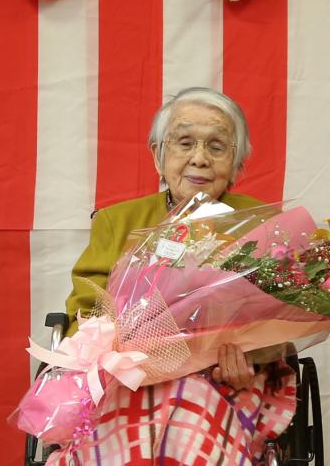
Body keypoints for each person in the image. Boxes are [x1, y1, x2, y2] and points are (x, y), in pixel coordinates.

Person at [55, 87, 295, 465]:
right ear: (158, 154)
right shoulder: (118, 221)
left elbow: (285, 318)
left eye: (217, 147)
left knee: (189, 402)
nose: (199, 159)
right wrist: (121, 348)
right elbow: (83, 314)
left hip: (230, 384)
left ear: (237, 164)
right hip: (128, 382)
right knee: (148, 408)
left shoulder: (266, 225)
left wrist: (250, 356)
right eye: (185, 143)